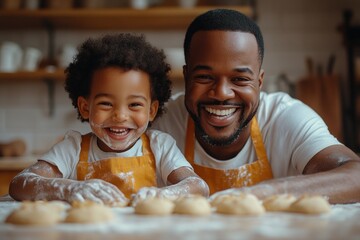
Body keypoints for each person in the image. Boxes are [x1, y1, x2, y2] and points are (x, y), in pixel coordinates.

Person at [152, 9, 360, 204]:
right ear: (187, 77)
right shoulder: (161, 123)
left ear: (259, 82)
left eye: (240, 79)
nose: (222, 93)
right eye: (205, 77)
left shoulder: (285, 118)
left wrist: (261, 192)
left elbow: (355, 175)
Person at [8, 33, 209, 206]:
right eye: (106, 104)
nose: (120, 116)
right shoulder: (73, 149)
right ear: (85, 107)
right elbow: (20, 183)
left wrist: (164, 194)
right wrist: (69, 188)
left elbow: (198, 187)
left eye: (134, 105)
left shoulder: (160, 146)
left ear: (152, 110)